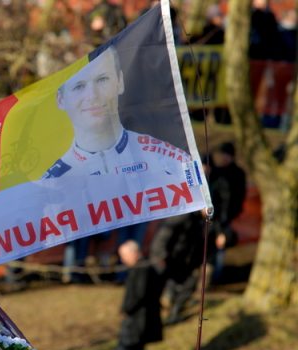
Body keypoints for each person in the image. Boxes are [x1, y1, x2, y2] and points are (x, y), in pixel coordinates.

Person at [42, 45, 190, 179]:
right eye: (78, 86)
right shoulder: (52, 184)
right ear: (61, 100)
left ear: (120, 82)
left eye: (102, 80)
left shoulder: (167, 159)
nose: (93, 95)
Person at [149, 210, 207, 325]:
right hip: (170, 259)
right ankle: (160, 313)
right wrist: (160, 256)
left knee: (189, 284)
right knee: (161, 287)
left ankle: (174, 312)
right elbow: (163, 236)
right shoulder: (182, 216)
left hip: (186, 260)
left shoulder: (202, 221)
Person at [115, 240, 164, 350]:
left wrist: (126, 309)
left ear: (134, 253)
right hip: (139, 320)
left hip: (138, 320)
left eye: (124, 256)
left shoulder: (142, 269)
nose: (123, 260)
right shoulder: (142, 267)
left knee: (124, 349)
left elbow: (138, 294)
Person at [208, 142, 246, 283]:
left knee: (220, 245)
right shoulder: (218, 172)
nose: (223, 158)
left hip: (227, 217)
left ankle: (215, 276)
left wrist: (232, 215)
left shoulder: (238, 174)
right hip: (215, 216)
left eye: (225, 155)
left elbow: (238, 197)